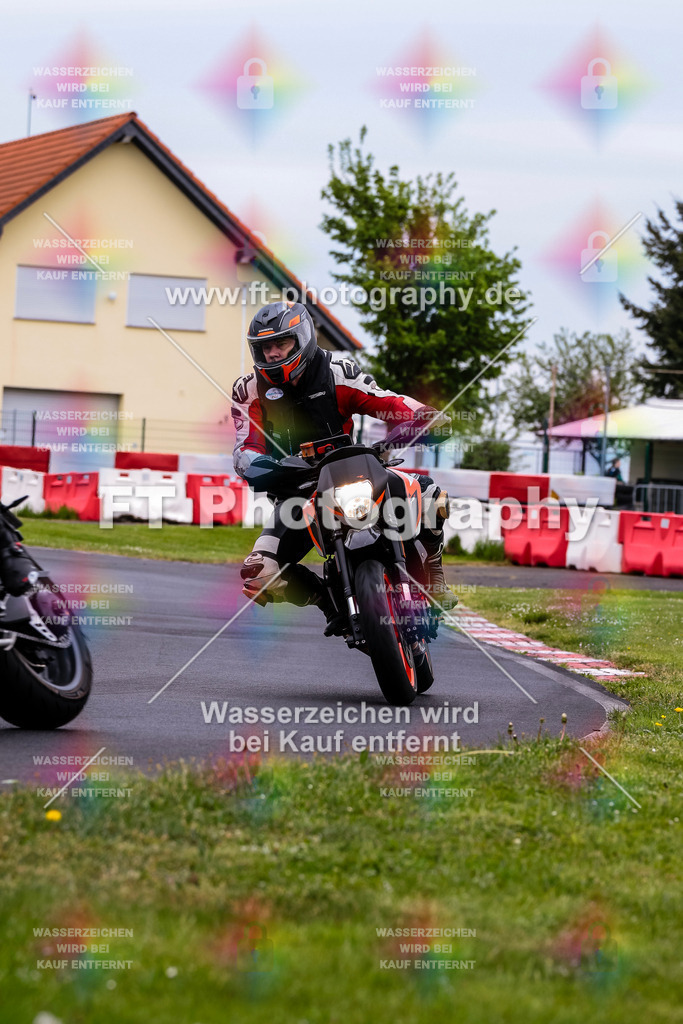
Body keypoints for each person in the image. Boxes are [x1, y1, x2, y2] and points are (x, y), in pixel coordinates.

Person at [231, 300, 455, 635]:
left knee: (430, 494)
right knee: (258, 573)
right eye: (265, 347)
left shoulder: (338, 371)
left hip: (356, 471)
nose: (274, 353)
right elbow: (244, 446)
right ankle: (327, 602)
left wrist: (424, 416)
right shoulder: (247, 390)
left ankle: (433, 574)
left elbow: (387, 401)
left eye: (282, 344)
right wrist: (259, 466)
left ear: (303, 338)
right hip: (298, 494)